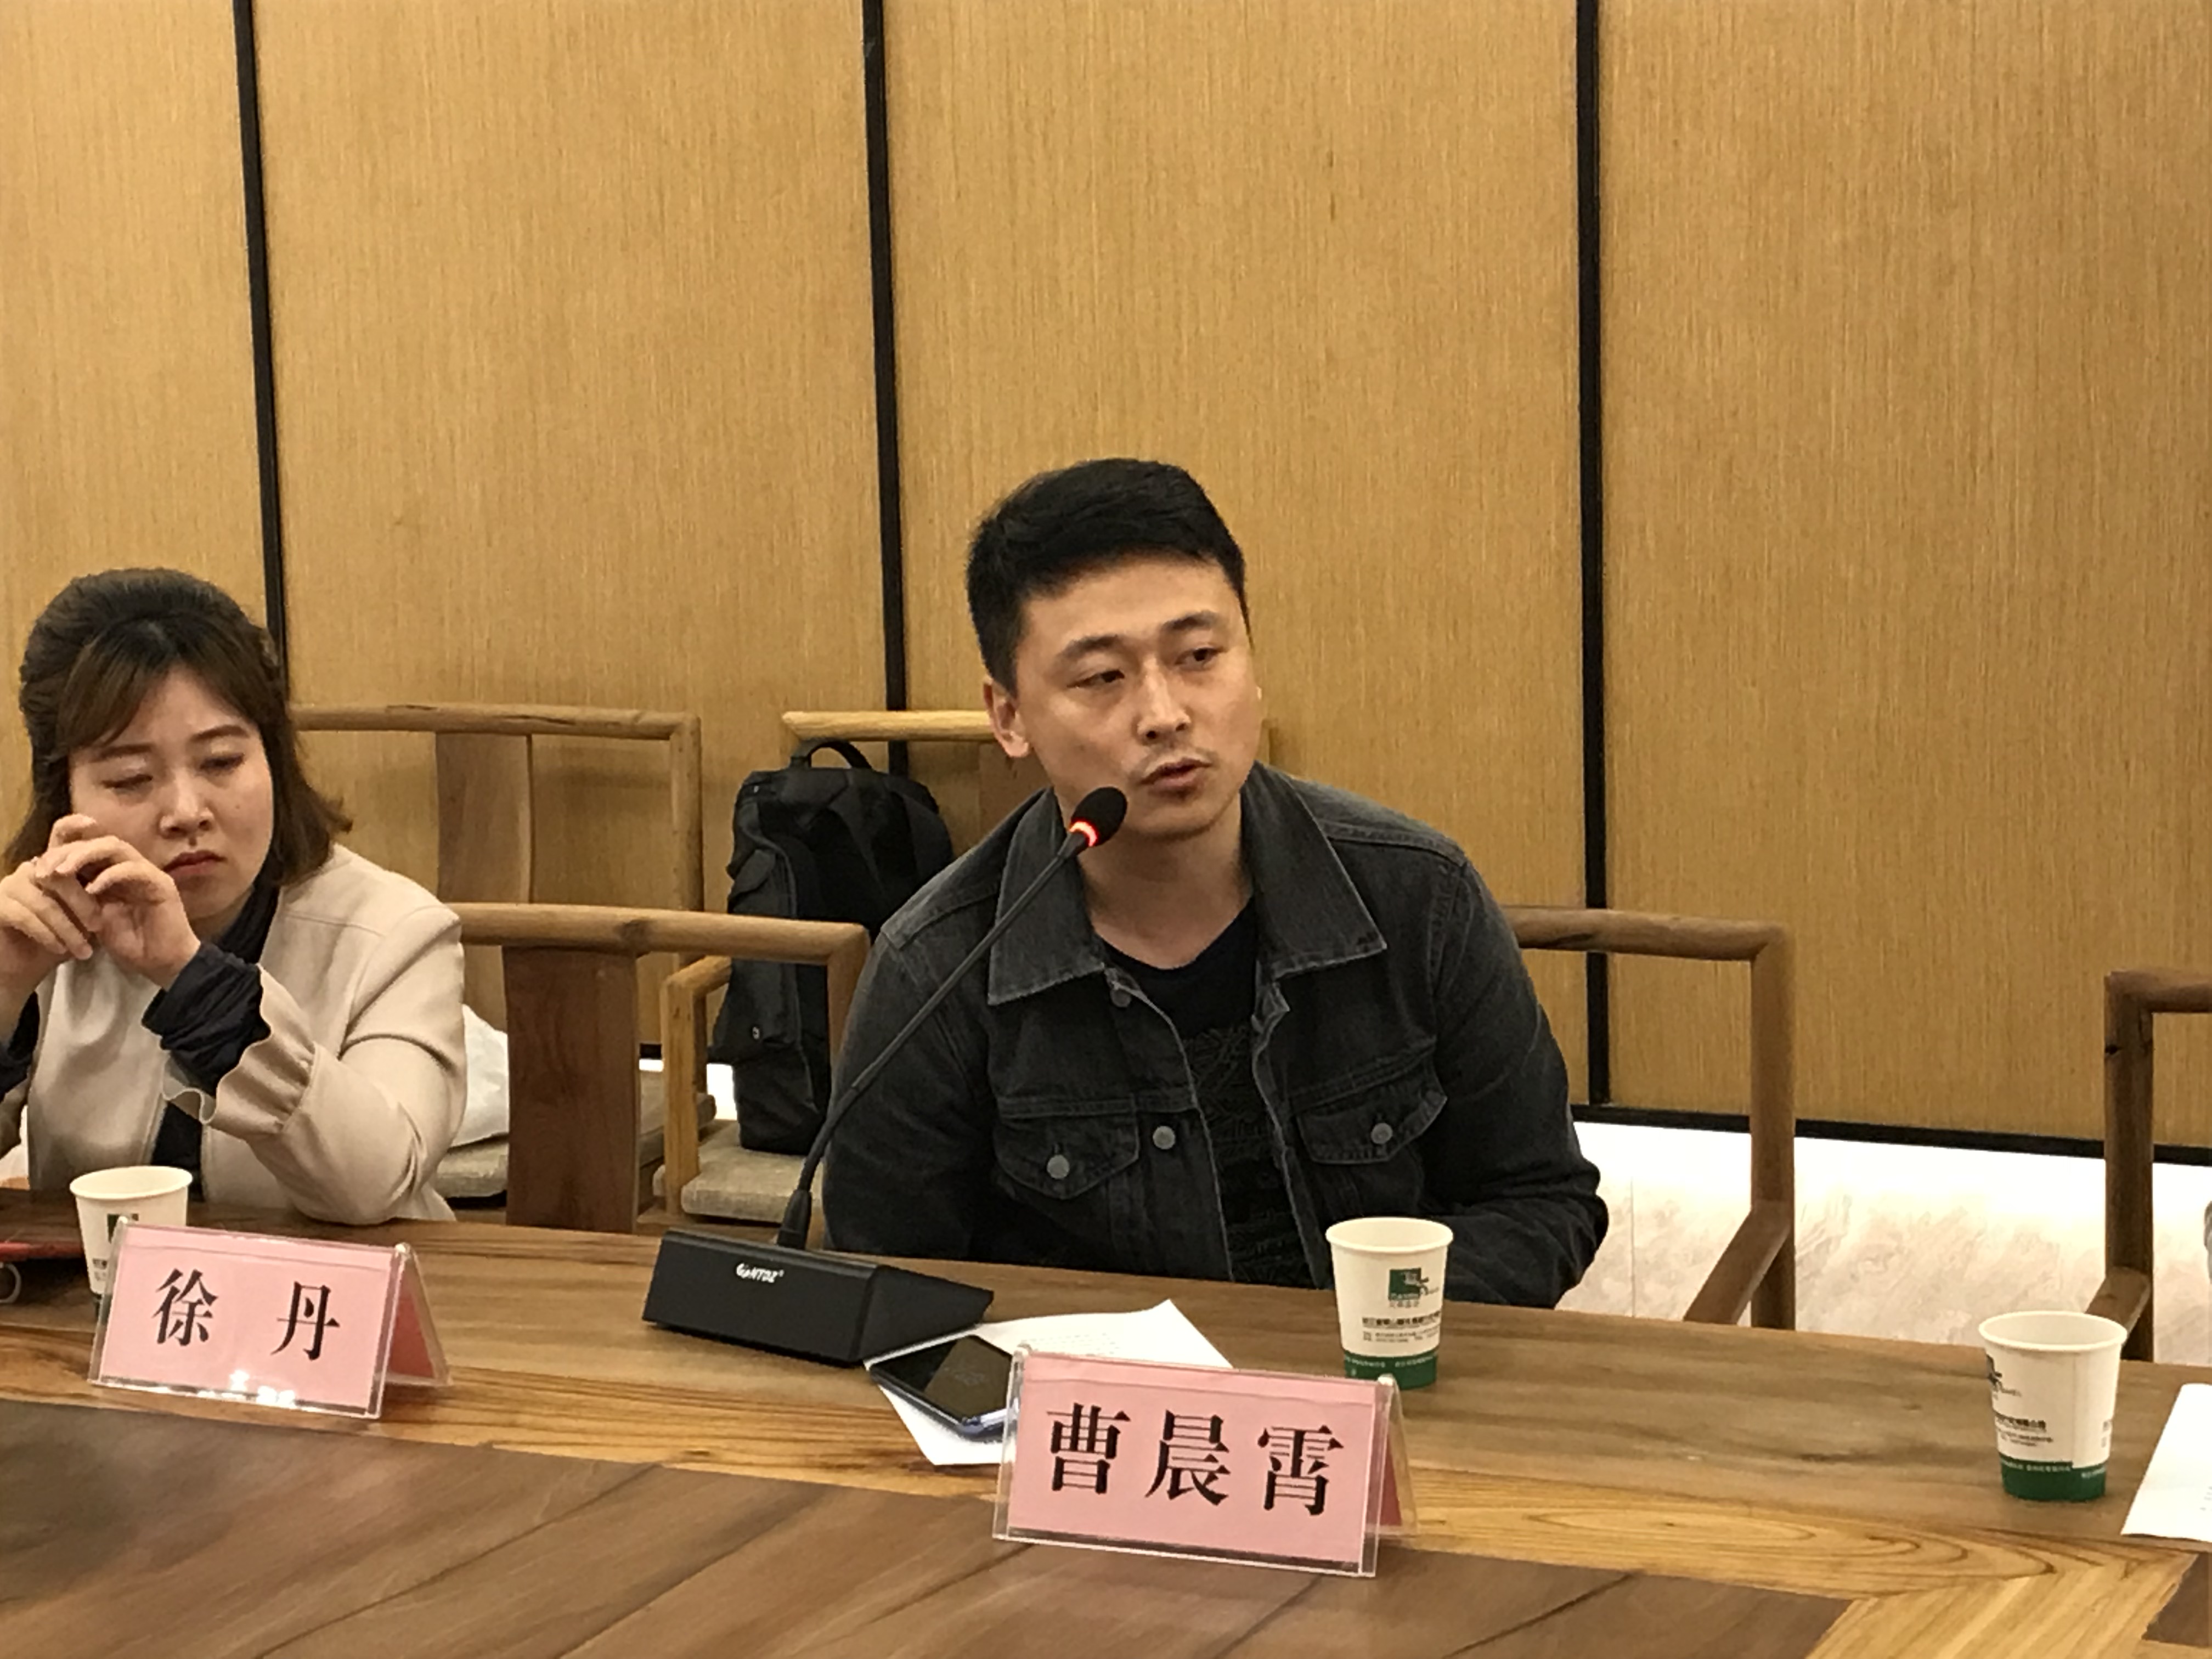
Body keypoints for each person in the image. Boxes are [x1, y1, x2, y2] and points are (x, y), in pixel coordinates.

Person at [822, 459, 1606, 1303]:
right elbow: (890, 1282)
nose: (1165, 714)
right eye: (1102, 677)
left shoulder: (1421, 895)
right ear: (1009, 716)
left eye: (1199, 656)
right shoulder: (938, 966)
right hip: (1088, 1388)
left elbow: (1538, 1200)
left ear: (1252, 663)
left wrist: (1372, 1339)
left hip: (1380, 1378)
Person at [0, 569, 465, 1223]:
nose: (186, 812)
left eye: (220, 762)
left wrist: (194, 981)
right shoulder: (41, 925)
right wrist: (4, 991)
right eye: (130, 778)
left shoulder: (396, 931)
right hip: (98, 1289)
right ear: (65, 795)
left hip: (331, 1287)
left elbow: (376, 1184)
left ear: (273, 759)